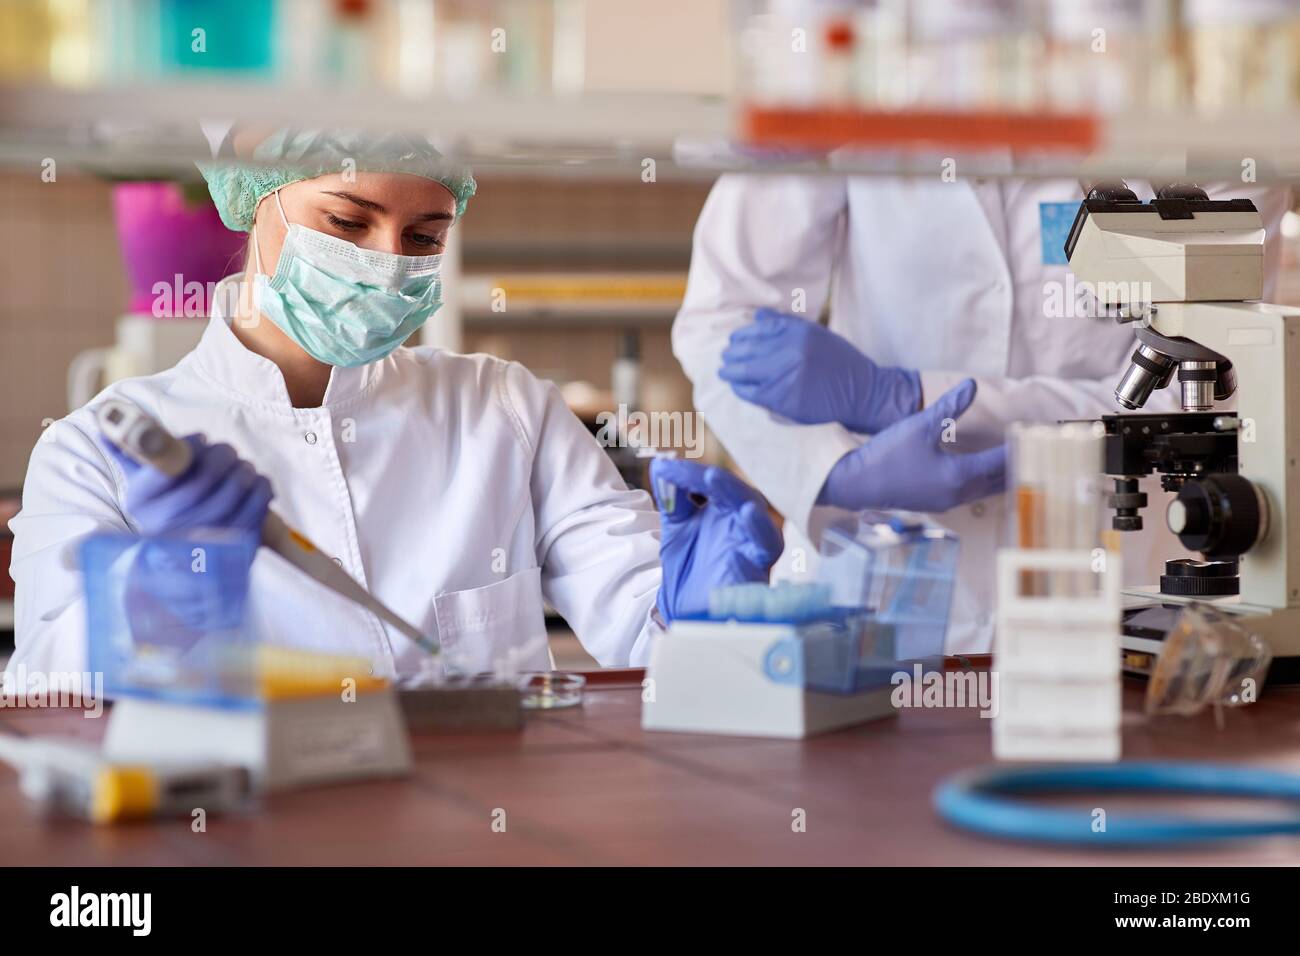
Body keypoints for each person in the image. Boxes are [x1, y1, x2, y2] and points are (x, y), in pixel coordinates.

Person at [7, 128, 781, 679]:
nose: (386, 264)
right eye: (347, 221)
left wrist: (697, 607)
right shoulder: (96, 450)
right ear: (256, 202)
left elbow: (644, 631)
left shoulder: (502, 406)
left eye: (423, 235)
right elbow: (46, 691)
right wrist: (155, 588)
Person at [673, 173, 1291, 654]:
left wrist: (906, 398)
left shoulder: (1206, 89)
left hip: (1120, 589)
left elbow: (1197, 379)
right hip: (873, 594)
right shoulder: (859, 58)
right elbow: (722, 321)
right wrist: (828, 470)